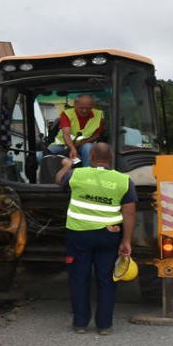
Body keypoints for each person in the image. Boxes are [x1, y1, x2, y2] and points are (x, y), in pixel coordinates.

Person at [55, 143, 136, 335]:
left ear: (91, 155)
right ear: (111, 158)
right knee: (107, 279)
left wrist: (67, 165)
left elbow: (59, 180)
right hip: (109, 235)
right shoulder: (124, 181)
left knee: (78, 278)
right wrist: (126, 241)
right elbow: (130, 214)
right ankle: (104, 325)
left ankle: (81, 323)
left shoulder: (78, 175)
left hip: (78, 235)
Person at [48, 94, 104, 166]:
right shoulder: (67, 114)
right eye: (81, 108)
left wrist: (82, 143)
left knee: (88, 147)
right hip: (62, 144)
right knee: (43, 155)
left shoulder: (99, 115)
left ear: (93, 106)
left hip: (83, 145)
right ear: (75, 104)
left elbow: (97, 135)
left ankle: (86, 174)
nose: (84, 110)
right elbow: (66, 134)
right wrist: (72, 148)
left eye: (88, 108)